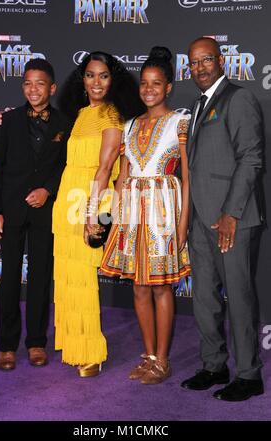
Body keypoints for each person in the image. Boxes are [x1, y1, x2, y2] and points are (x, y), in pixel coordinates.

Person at [100, 47, 191, 384]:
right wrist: (113, 218)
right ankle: (149, 355)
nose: (149, 89)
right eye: (144, 83)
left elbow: (188, 176)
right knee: (139, 288)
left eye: (156, 83)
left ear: (168, 87)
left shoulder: (179, 122)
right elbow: (122, 175)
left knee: (161, 289)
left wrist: (183, 223)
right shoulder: (129, 124)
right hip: (132, 215)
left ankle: (163, 361)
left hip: (164, 214)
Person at [181, 37, 264, 401]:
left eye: (205, 60)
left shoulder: (238, 98)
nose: (199, 68)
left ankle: (249, 375)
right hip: (201, 218)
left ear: (221, 60)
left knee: (240, 298)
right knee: (203, 297)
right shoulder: (197, 105)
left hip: (233, 219)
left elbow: (251, 159)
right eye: (193, 63)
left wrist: (230, 213)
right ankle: (214, 365)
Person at [52, 51, 144, 377]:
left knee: (83, 279)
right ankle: (73, 342)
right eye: (90, 75)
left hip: (92, 201)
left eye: (103, 76)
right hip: (67, 199)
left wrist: (93, 215)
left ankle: (91, 350)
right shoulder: (80, 114)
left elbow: (105, 169)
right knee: (67, 277)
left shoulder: (112, 117)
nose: (96, 82)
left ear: (113, 79)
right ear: (83, 80)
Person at [0, 59, 70, 370]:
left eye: (39, 84)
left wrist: (48, 190)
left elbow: (65, 167)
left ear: (52, 87)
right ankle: (6, 346)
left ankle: (36, 342)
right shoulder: (8, 121)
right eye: (27, 83)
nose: (32, 89)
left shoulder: (64, 123)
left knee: (38, 280)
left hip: (44, 212)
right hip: (10, 211)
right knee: (8, 278)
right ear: (23, 87)